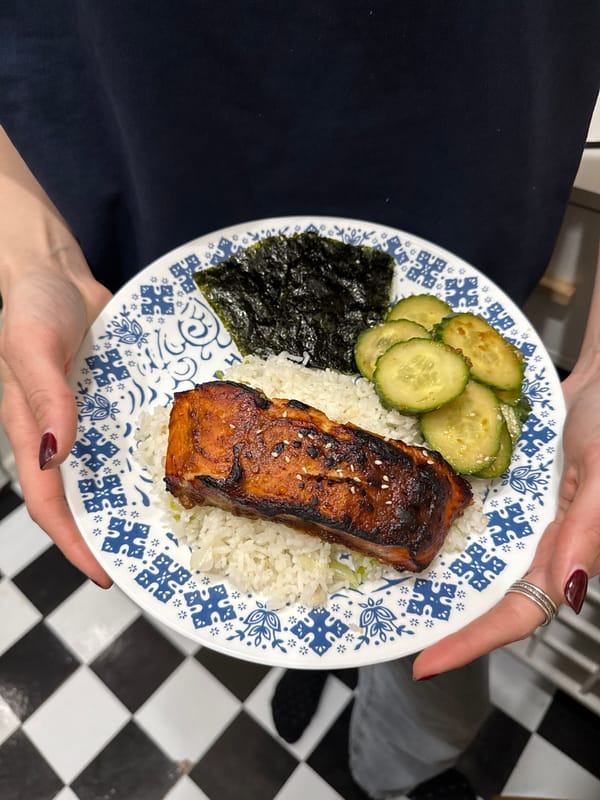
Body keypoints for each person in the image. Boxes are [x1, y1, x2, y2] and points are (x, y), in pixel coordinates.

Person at [1, 3, 599, 798]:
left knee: (433, 698)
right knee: (298, 597)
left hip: (459, 234)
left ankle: (394, 778)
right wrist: (32, 254)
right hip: (161, 213)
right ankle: (316, 665)